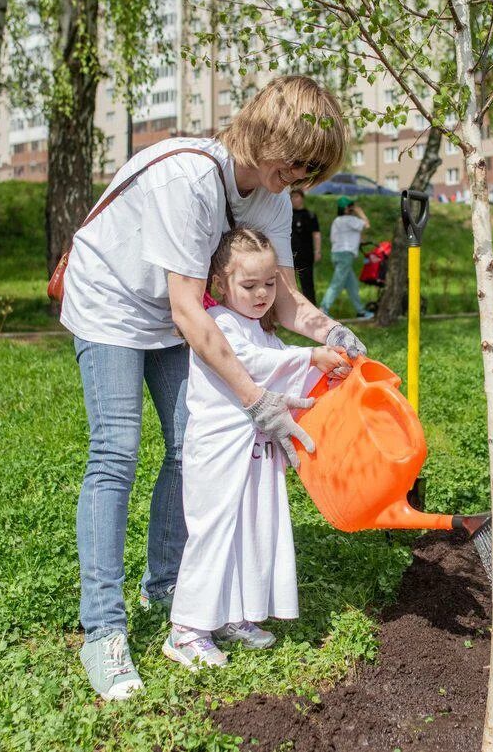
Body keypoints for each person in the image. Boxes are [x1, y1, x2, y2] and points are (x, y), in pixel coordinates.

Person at [58, 75, 366, 700]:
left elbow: (281, 302)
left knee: (188, 446)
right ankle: (103, 630)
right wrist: (257, 402)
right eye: (298, 160)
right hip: (114, 303)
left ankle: (173, 585)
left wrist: (331, 329)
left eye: (314, 168)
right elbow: (188, 312)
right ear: (268, 132)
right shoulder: (190, 178)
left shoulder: (273, 200)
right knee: (116, 451)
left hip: (178, 313)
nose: (302, 178)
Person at [164, 227, 346, 669]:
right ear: (219, 284)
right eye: (249, 286)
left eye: (269, 284)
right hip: (220, 452)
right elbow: (252, 364)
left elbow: (281, 371)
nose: (263, 294)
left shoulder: (260, 330)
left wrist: (324, 372)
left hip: (257, 452)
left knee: (252, 529)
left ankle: (233, 615)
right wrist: (309, 357)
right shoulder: (222, 325)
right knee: (215, 532)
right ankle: (186, 629)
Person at [320, 196, 373, 319]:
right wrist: (360, 212)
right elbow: (366, 224)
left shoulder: (337, 221)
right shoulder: (350, 219)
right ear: (345, 209)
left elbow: (343, 237)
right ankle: (323, 309)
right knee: (337, 283)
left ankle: (361, 312)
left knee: (352, 285)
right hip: (345, 255)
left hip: (337, 254)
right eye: (351, 207)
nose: (353, 209)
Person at [289, 189, 322, 303]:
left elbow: (316, 234)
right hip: (289, 254)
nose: (294, 199)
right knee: (289, 285)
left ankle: (311, 307)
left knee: (307, 284)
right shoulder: (287, 214)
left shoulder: (310, 215)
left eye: (297, 196)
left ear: (302, 198)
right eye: (292, 197)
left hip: (306, 254)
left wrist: (317, 251)